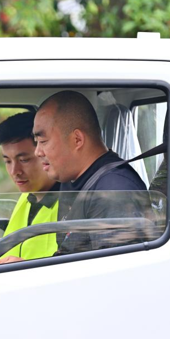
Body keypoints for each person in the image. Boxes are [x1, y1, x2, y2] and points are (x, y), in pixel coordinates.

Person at [32, 90, 147, 254]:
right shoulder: (70, 179)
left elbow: (114, 275)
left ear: (77, 139)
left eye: (43, 141)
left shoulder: (113, 191)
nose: (37, 152)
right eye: (36, 142)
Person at [0, 112, 60, 264]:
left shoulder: (70, 203)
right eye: (7, 161)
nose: (14, 171)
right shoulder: (26, 197)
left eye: (23, 160)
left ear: (44, 152)